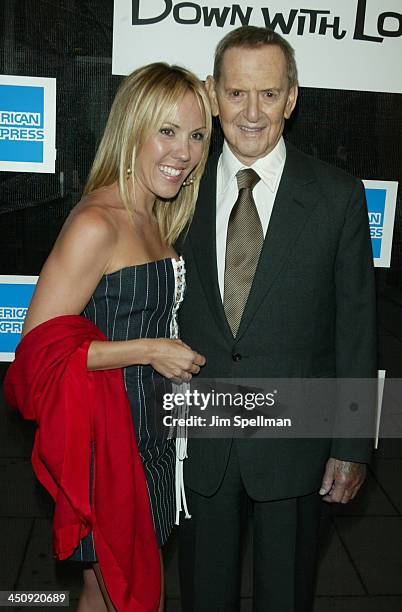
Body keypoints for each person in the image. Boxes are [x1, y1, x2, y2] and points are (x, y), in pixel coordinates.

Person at [177, 26, 376, 611]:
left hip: (297, 449)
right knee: (202, 596)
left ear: (292, 98)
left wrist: (353, 445)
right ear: (214, 94)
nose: (252, 112)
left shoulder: (338, 196)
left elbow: (357, 330)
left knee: (286, 598)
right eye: (237, 94)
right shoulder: (177, 188)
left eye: (269, 94)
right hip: (200, 440)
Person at [5, 63, 211, 611]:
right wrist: (148, 350)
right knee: (116, 587)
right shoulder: (97, 222)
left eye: (195, 135)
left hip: (152, 437)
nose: (184, 152)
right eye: (167, 131)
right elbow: (34, 357)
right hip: (108, 445)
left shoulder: (154, 214)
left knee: (123, 587)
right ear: (132, 130)